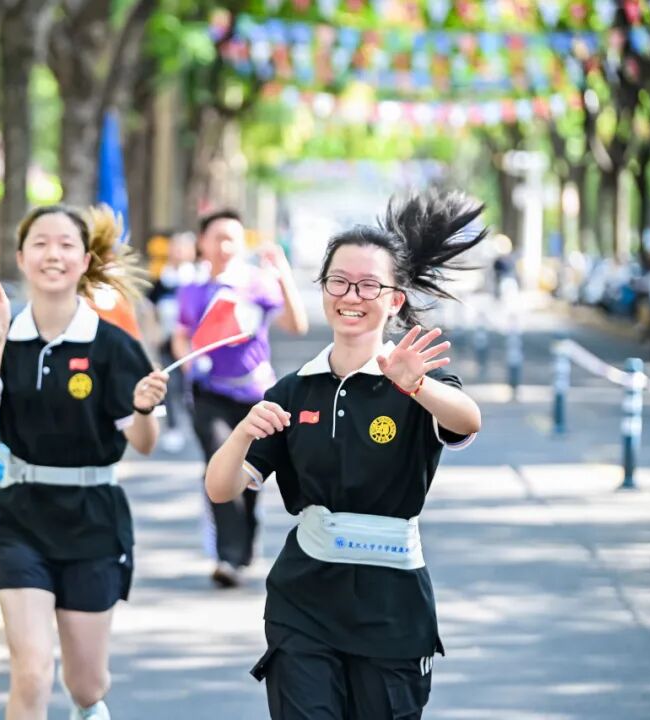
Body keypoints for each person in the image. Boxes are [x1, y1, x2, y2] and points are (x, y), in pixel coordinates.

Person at [205, 190, 486, 719]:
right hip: (304, 601)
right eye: (338, 281)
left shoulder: (417, 380)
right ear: (323, 289)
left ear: (394, 299)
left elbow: (467, 419)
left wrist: (414, 386)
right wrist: (241, 433)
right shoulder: (294, 390)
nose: (351, 295)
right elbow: (221, 488)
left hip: (393, 605)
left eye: (369, 285)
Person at [0, 203, 168, 720]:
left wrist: (143, 408)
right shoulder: (2, 333)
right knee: (31, 671)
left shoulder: (113, 345)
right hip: (21, 515)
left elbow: (144, 442)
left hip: (93, 517)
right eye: (41, 244)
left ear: (85, 260)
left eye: (66, 244)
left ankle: (88, 709)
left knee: (87, 683)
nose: (53, 254)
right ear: (20, 258)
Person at [172, 209, 308, 588]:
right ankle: (228, 556)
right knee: (219, 462)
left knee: (249, 471)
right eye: (217, 237)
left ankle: (244, 543)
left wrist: (283, 275)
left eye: (232, 237)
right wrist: (189, 363)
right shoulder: (192, 289)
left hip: (255, 397)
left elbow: (296, 325)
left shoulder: (256, 284)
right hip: (209, 394)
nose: (225, 245)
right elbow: (181, 335)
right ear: (202, 242)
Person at [149, 231, 202, 453]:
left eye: (183, 247)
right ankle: (173, 427)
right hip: (166, 339)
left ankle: (199, 424)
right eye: (175, 246)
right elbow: (150, 308)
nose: (178, 251)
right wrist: (154, 332)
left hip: (194, 343)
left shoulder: (199, 279)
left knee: (193, 384)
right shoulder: (162, 279)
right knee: (169, 384)